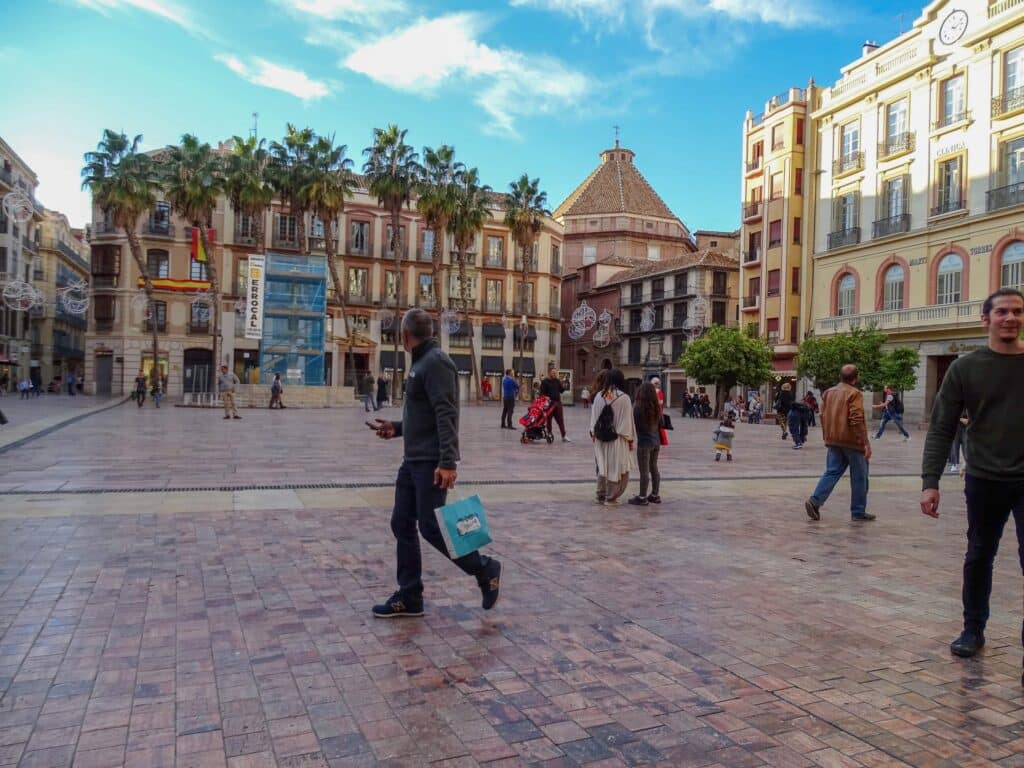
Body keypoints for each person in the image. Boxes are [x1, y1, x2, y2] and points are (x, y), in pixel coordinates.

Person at [369, 308, 501, 618]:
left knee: (431, 528)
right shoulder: (422, 363)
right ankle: (410, 595)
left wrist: (448, 462)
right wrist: (397, 428)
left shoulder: (436, 362)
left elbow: (447, 413)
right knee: (401, 522)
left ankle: (484, 569)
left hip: (430, 462)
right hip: (412, 460)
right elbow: (423, 413)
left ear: (404, 336)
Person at [919, 288, 1024, 666]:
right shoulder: (966, 368)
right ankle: (972, 629)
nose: (1010, 318)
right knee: (980, 555)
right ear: (986, 319)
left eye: (1017, 312)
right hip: (984, 478)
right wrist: (931, 481)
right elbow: (942, 426)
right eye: (1002, 312)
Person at [804, 364, 873, 522]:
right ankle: (858, 511)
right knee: (859, 477)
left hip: (834, 440)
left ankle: (815, 501)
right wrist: (865, 443)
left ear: (840, 376)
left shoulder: (829, 392)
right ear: (856, 378)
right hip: (852, 442)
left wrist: (826, 437)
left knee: (832, 472)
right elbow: (856, 419)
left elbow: (822, 415)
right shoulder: (855, 393)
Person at [590, 368, 636, 504]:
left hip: (600, 438)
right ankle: (611, 497)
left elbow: (593, 418)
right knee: (617, 468)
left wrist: (593, 433)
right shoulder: (625, 398)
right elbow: (627, 422)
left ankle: (601, 493)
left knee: (603, 467)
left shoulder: (599, 396)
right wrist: (630, 439)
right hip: (617, 439)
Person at [628, 382, 661, 506]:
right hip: (656, 441)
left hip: (644, 443)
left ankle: (642, 497)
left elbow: (634, 425)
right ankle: (655, 494)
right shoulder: (656, 406)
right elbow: (661, 422)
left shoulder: (638, 407)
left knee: (644, 471)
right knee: (654, 468)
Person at [539, 366, 570, 442]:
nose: (555, 374)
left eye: (555, 373)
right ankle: (549, 434)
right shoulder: (545, 382)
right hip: (549, 404)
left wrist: (565, 385)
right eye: (553, 372)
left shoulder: (557, 381)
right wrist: (546, 397)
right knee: (549, 420)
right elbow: (542, 394)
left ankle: (564, 436)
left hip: (558, 404)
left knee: (560, 420)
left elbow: (561, 390)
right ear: (549, 373)